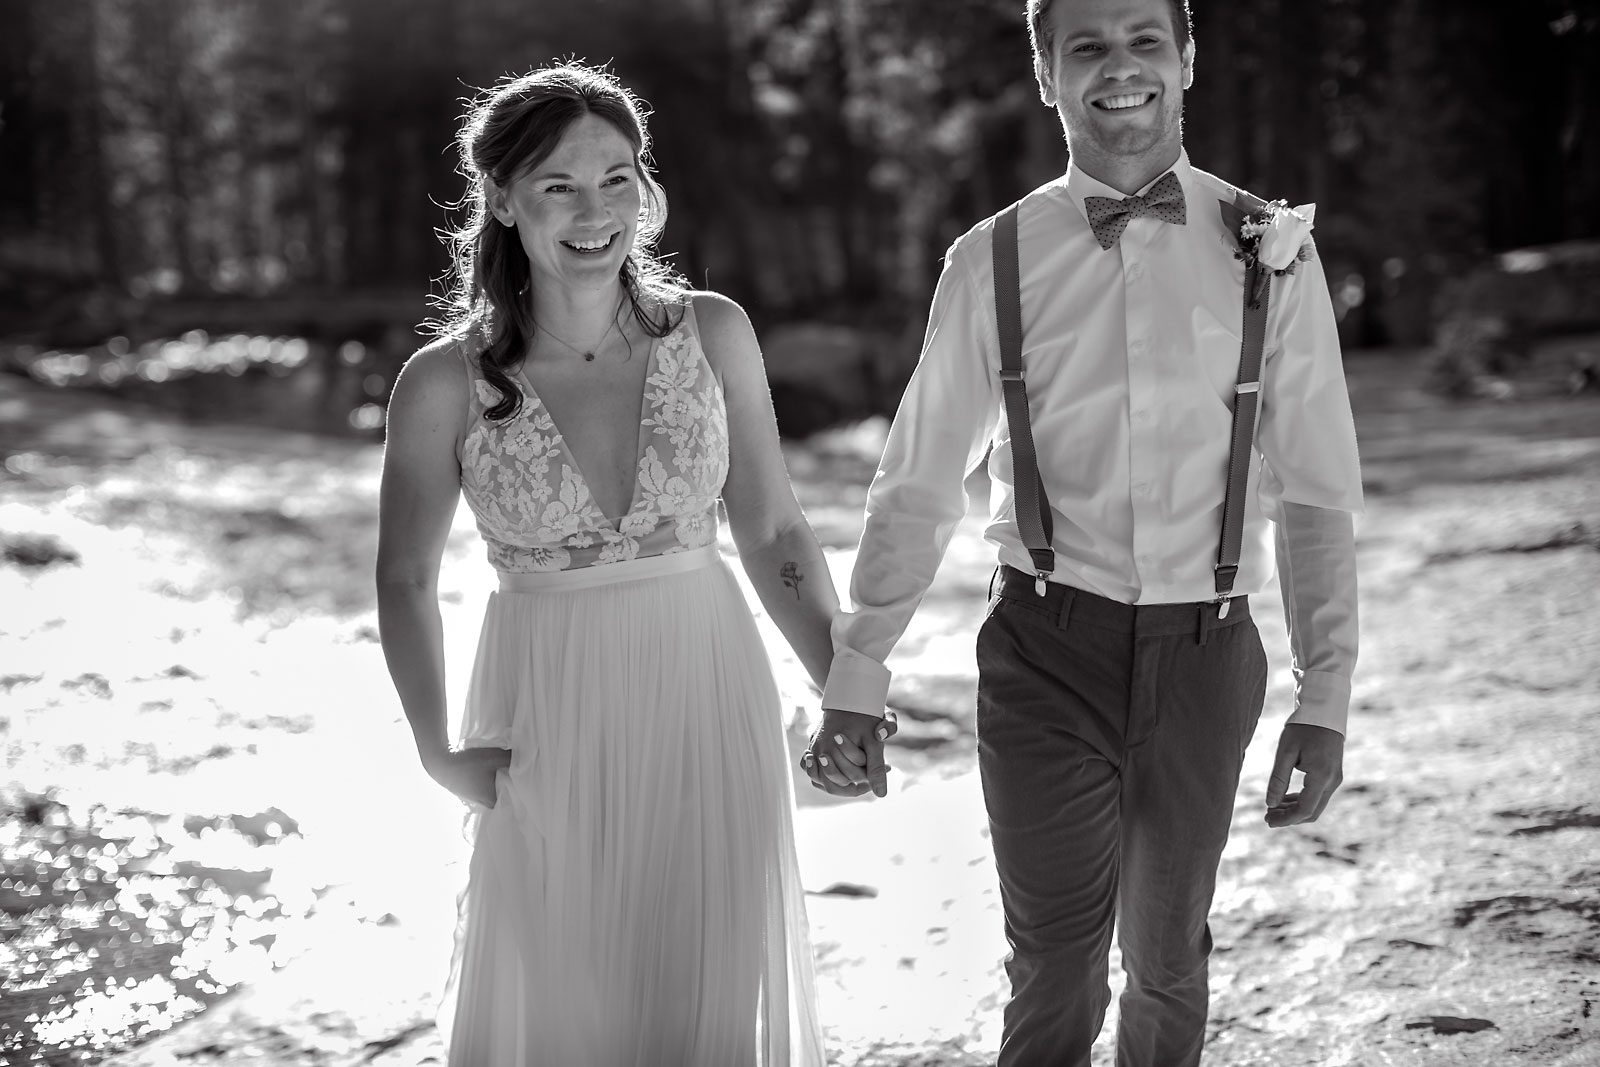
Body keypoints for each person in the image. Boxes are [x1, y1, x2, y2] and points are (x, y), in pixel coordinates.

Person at [802, 1, 1363, 1065]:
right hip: (1043, 649)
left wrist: (1323, 693)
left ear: (1187, 59)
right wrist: (856, 672)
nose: (1120, 70)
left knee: (1167, 957)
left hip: (1208, 652)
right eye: (1087, 47)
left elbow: (1318, 491)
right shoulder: (990, 259)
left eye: (1145, 40)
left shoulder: (1269, 249)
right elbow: (919, 477)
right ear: (1045, 71)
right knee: (1054, 962)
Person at [376, 61, 867, 1065]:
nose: (594, 210)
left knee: (705, 990)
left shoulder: (713, 331)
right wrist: (433, 746)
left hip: (706, 692)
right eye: (558, 184)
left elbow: (773, 529)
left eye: (616, 177)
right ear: (505, 201)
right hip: (542, 713)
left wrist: (846, 687)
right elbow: (403, 577)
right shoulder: (443, 381)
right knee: (561, 999)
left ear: (644, 188)